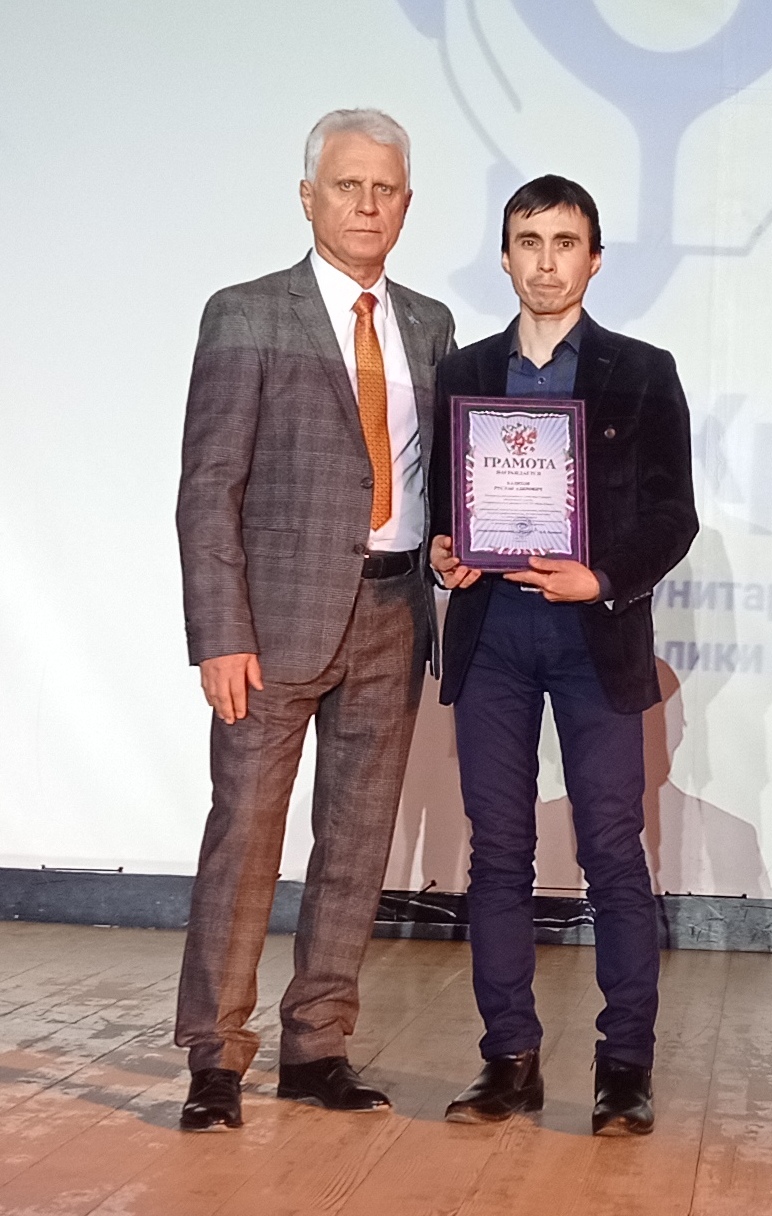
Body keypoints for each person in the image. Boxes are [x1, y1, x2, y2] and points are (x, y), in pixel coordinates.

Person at [175, 108, 455, 1130]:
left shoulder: (430, 324)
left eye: (384, 189)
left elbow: (435, 478)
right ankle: (215, 1057)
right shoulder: (246, 312)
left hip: (394, 611)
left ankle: (317, 1046)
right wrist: (219, 631)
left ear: (406, 204)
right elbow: (207, 486)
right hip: (271, 624)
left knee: (355, 843)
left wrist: (450, 546)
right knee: (244, 837)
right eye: (347, 185)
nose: (367, 204)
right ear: (308, 197)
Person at [430, 175, 697, 1135]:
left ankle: (624, 1065)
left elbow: (673, 514)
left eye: (565, 242)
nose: (545, 262)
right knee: (498, 851)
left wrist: (604, 576)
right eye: (528, 241)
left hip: (595, 633)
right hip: (494, 634)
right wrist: (444, 551)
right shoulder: (462, 370)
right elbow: (443, 508)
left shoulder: (641, 370)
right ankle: (508, 1059)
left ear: (594, 258)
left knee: (611, 850)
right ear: (504, 255)